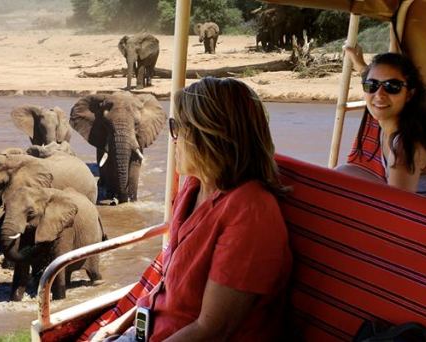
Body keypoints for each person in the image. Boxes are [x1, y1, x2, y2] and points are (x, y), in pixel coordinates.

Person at [91, 77, 292, 341]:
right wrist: (116, 326)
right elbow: (166, 285)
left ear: (211, 136)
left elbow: (212, 330)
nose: (174, 140)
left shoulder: (251, 211)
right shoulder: (194, 186)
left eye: (178, 128)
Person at [344, 48, 426, 208]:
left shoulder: (405, 145)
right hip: (417, 198)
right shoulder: (397, 117)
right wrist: (359, 63)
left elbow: (399, 212)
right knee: (343, 172)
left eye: (392, 86)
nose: (379, 94)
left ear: (409, 94)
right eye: (371, 85)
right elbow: (372, 76)